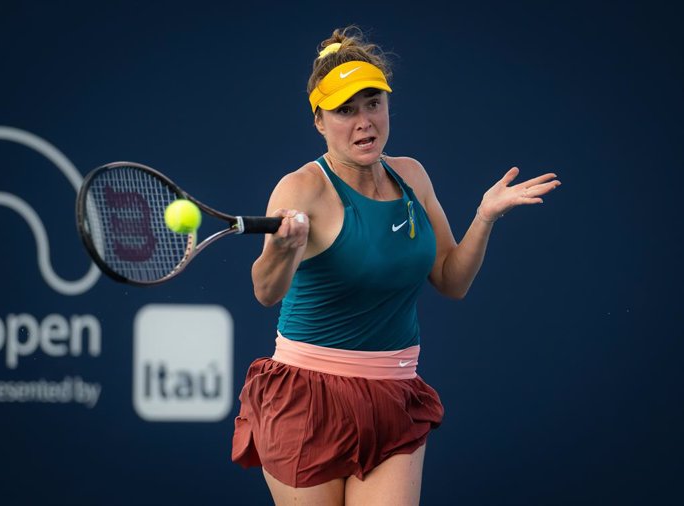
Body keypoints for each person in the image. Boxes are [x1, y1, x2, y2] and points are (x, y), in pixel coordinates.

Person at [232, 26, 561, 505]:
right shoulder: (301, 188)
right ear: (319, 121)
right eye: (346, 110)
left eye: (373, 103)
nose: (364, 121)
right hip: (307, 399)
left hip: (393, 394)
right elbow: (266, 292)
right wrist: (284, 247)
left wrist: (484, 216)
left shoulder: (411, 175)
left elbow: (451, 280)